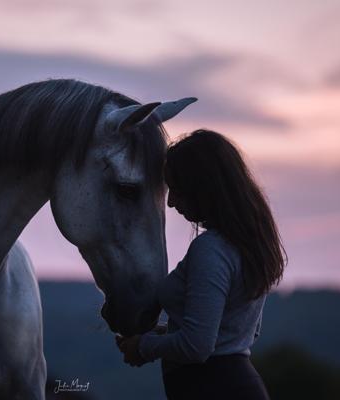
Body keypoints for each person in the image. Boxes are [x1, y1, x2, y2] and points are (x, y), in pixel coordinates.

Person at [115, 129, 286, 400]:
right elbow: (239, 330)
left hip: (212, 388)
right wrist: (160, 334)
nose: (170, 203)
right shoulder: (248, 245)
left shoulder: (211, 250)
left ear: (203, 188)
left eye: (178, 190)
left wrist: (143, 347)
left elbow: (197, 346)